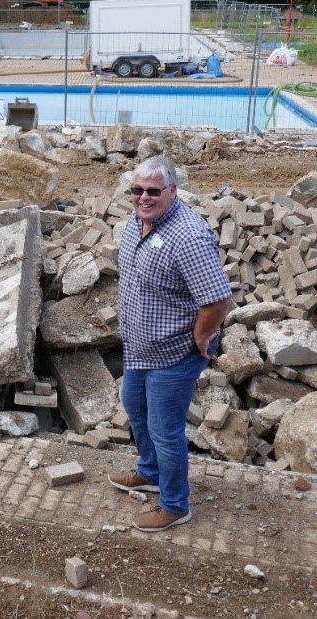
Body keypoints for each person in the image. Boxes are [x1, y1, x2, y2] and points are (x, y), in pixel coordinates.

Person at [109, 156, 232, 532]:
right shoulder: (138, 222)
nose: (144, 197)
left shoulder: (188, 237)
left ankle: (175, 504)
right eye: (137, 190)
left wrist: (200, 336)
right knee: (135, 406)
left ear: (173, 191)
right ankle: (149, 471)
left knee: (166, 429)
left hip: (174, 353)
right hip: (139, 347)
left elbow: (217, 299)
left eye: (153, 191)